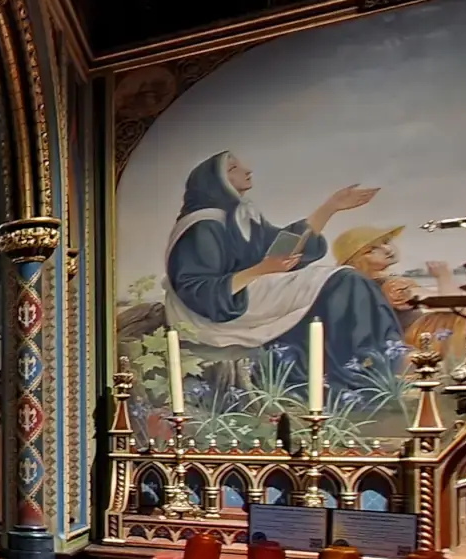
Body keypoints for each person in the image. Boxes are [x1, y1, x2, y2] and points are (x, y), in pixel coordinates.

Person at [160, 152, 398, 388]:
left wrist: (330, 207)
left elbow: (279, 246)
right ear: (216, 183)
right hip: (223, 308)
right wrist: (260, 270)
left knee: (343, 280)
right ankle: (372, 367)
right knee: (345, 280)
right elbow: (198, 290)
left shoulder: (240, 215)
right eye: (233, 168)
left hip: (249, 290)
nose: (247, 170)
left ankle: (377, 364)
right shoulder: (203, 225)